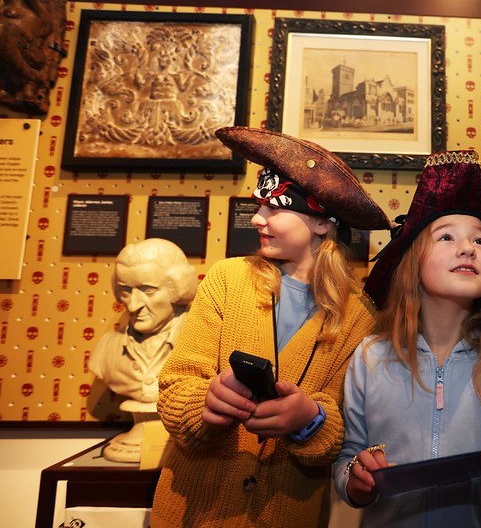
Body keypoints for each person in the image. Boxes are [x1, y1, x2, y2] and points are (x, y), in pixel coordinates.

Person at [151, 127, 390, 527]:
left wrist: (310, 419)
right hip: (192, 513)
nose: (257, 217)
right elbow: (176, 384)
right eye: (259, 205)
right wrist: (204, 404)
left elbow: (346, 432)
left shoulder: (360, 316)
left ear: (322, 223)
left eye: (274, 207)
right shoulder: (228, 281)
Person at [335, 150, 481, 527]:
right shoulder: (371, 357)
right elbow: (349, 458)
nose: (468, 247)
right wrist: (356, 481)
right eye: (446, 236)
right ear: (413, 262)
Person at [88, 237, 197, 462]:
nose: (133, 305)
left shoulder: (203, 346)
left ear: (179, 290)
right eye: (126, 291)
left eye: (148, 290)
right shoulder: (108, 349)